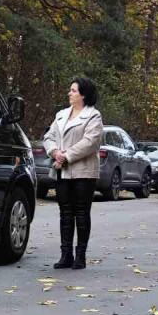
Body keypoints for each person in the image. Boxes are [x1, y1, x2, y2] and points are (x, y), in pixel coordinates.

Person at [43, 77, 103, 270]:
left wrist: (66, 156)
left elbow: (90, 142)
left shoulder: (93, 116)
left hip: (83, 171)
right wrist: (54, 152)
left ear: (83, 94)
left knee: (82, 212)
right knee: (65, 213)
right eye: (70, 90)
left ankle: (80, 256)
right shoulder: (61, 115)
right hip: (62, 171)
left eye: (73, 90)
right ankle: (65, 255)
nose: (69, 93)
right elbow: (49, 136)